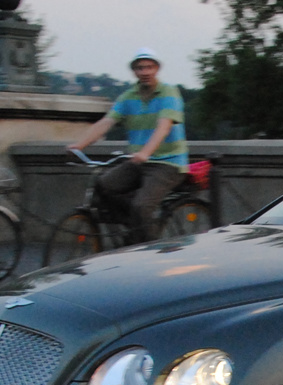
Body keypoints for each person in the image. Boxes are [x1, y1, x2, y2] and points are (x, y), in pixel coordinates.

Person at [66, 48, 190, 243]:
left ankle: (152, 250)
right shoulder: (128, 97)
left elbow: (163, 127)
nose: (145, 72)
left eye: (149, 67)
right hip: (138, 162)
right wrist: (79, 145)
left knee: (142, 206)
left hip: (168, 163)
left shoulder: (169, 92)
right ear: (134, 72)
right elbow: (106, 123)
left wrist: (145, 153)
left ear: (157, 69)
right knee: (103, 185)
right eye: (140, 68)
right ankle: (136, 227)